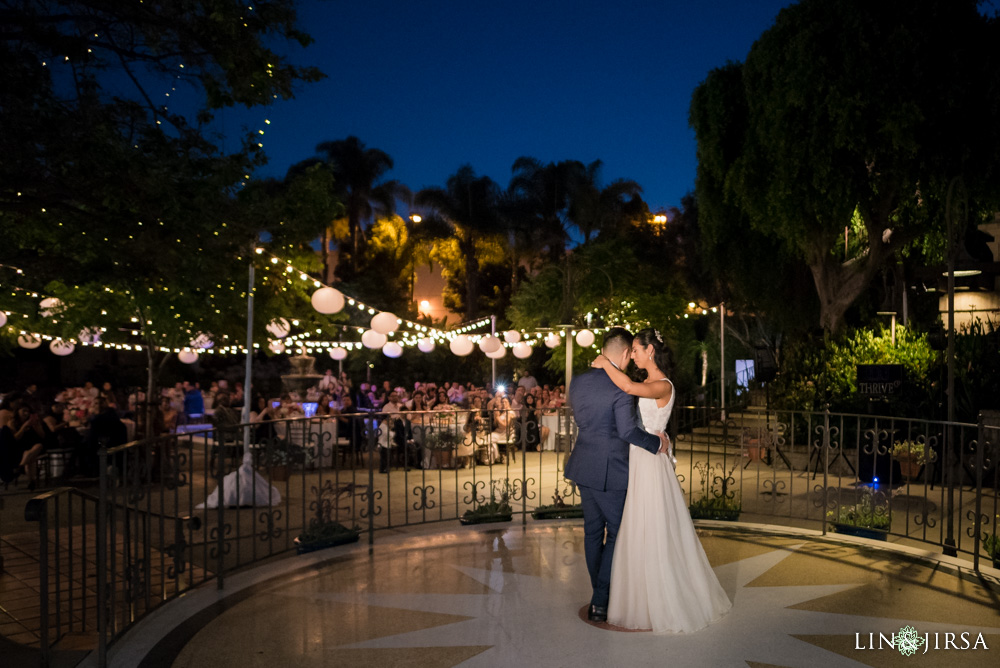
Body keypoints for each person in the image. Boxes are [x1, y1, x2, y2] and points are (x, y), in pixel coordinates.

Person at [592, 328, 731, 633]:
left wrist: (606, 363)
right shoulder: (649, 382)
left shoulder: (661, 384)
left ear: (650, 351)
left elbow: (627, 388)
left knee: (652, 524)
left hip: (650, 462)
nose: (633, 355)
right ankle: (638, 596)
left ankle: (661, 598)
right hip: (643, 454)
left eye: (637, 350)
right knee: (640, 524)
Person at [564, 327, 668, 624]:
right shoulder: (621, 387)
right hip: (613, 470)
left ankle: (600, 594)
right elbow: (626, 431)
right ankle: (600, 600)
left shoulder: (579, 381)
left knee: (593, 532)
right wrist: (656, 444)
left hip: (583, 463)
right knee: (619, 532)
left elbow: (581, 419)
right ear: (624, 353)